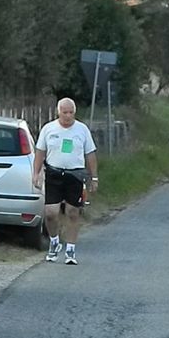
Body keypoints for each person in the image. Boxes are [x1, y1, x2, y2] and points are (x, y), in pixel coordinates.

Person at [33, 98, 98, 265]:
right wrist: (36, 173)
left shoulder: (82, 130)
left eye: (71, 113)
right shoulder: (49, 129)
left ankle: (70, 249)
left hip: (75, 175)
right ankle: (54, 242)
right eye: (65, 112)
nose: (68, 116)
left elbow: (90, 155)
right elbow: (40, 152)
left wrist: (94, 177)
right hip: (54, 174)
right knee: (50, 213)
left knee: (72, 212)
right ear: (58, 112)